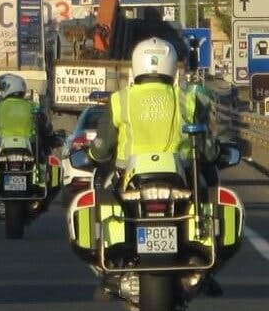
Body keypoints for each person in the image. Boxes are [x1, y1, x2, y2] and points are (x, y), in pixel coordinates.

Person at [87, 37, 225, 296]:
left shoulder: (120, 100)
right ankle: (207, 266)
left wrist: (93, 155)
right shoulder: (189, 100)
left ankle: (106, 266)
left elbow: (103, 147)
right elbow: (207, 148)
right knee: (209, 191)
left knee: (100, 196)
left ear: (136, 66)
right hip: (181, 176)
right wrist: (216, 153)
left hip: (129, 178)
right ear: (172, 66)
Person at [0, 73, 52, 159]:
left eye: (1, 89)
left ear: (8, 88)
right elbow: (46, 128)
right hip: (31, 151)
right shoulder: (33, 106)